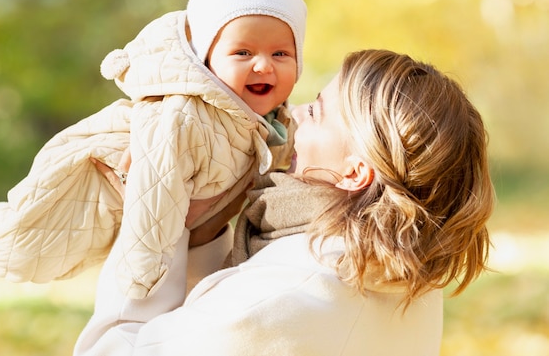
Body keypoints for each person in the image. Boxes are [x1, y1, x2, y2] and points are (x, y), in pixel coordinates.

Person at [74, 49, 494, 356]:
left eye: (318, 113)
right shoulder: (405, 274)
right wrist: (200, 230)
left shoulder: (286, 295)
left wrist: (147, 223)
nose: (296, 113)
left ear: (355, 170)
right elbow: (217, 312)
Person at [0, 0, 310, 299]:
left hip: (142, 222)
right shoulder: (183, 116)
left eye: (281, 54)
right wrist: (141, 275)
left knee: (48, 257)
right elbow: (154, 189)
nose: (263, 66)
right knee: (24, 245)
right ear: (206, 59)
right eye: (243, 53)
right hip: (93, 187)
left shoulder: (272, 123)